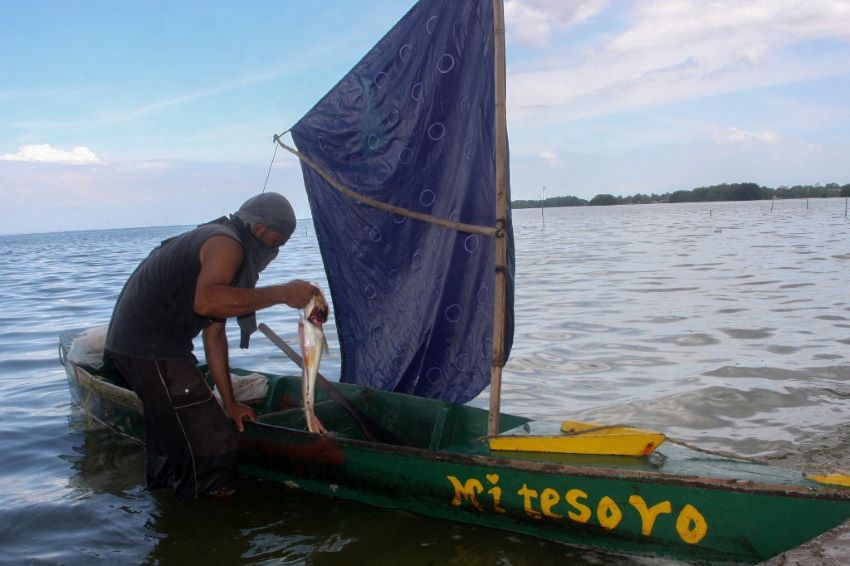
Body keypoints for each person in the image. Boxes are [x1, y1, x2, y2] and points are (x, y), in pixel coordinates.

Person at [104, 192, 319, 499]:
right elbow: (206, 302)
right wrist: (282, 293)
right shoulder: (225, 244)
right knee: (215, 446)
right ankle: (208, 532)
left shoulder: (222, 242)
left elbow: (213, 334)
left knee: (171, 441)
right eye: (276, 242)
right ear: (258, 230)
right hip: (149, 349)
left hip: (140, 347)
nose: (275, 251)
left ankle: (165, 513)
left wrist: (230, 403)